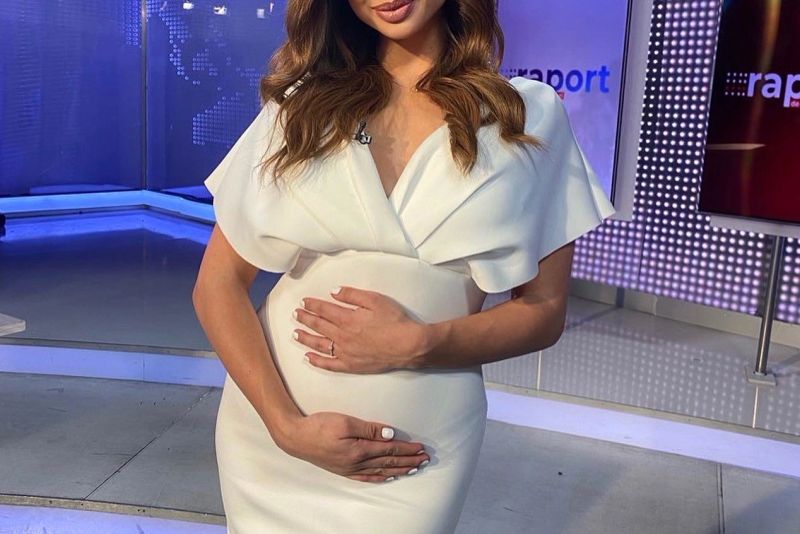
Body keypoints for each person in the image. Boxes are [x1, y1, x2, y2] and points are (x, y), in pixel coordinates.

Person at [192, 0, 616, 532]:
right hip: (274, 442)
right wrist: (285, 426)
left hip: (417, 454)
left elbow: (544, 310)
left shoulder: (523, 116)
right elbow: (218, 284)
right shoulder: (301, 106)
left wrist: (419, 343)